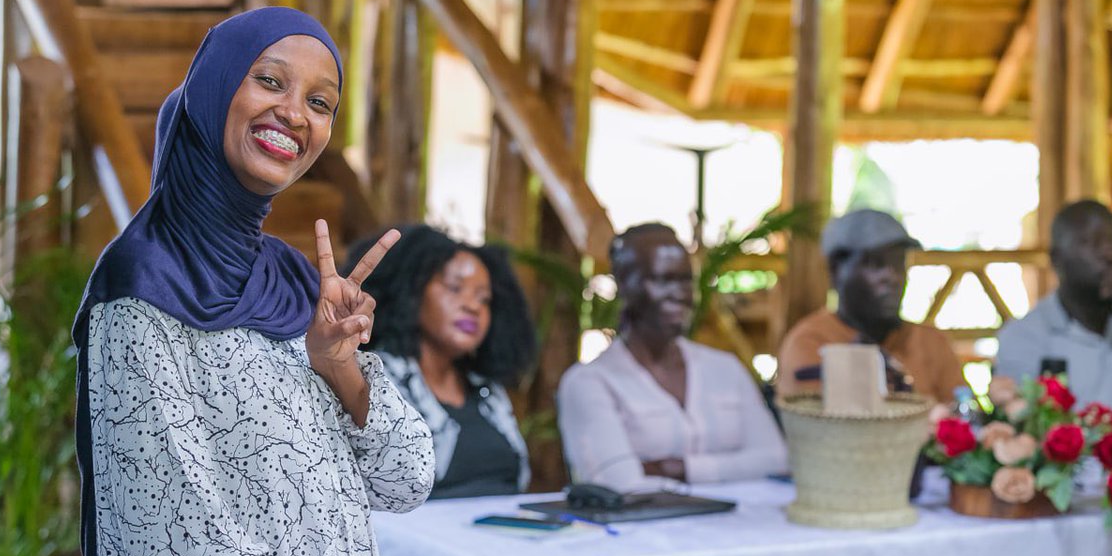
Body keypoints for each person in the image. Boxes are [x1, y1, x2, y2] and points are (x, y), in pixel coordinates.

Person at [73, 8, 435, 556]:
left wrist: (342, 369)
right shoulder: (140, 286)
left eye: (320, 102)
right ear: (214, 90)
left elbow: (405, 479)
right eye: (270, 81)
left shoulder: (296, 284)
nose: (295, 113)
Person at [557, 223, 787, 491]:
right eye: (662, 280)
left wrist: (678, 468)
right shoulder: (589, 382)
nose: (680, 294)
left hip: (740, 529)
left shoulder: (726, 370)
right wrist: (731, 468)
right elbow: (621, 485)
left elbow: (776, 460)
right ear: (623, 285)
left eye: (686, 280)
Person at [342, 225, 536, 499]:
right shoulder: (375, 377)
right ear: (411, 290)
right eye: (455, 289)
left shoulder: (487, 390)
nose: (473, 306)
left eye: (484, 299)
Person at [777, 209, 965, 404]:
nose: (891, 277)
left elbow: (965, 418)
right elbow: (824, 428)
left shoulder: (931, 342)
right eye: (875, 264)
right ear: (835, 271)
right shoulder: (811, 343)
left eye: (898, 263)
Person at [995, 199, 1112, 408]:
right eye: (1091, 242)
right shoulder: (1024, 337)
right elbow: (1021, 425)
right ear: (1057, 259)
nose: (1109, 253)